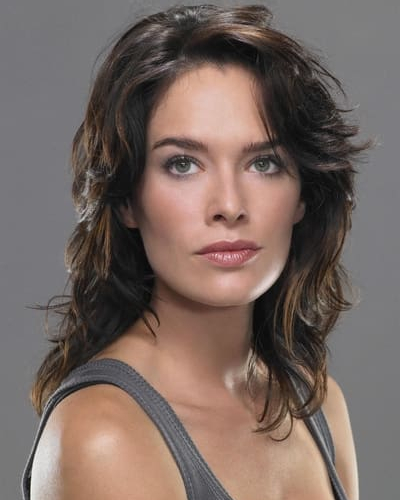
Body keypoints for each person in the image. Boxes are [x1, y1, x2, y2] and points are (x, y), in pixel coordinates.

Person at [22, 4, 371, 500]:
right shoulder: (104, 435)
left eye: (264, 163)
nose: (229, 205)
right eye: (183, 164)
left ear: (303, 195)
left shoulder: (317, 403)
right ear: (127, 200)